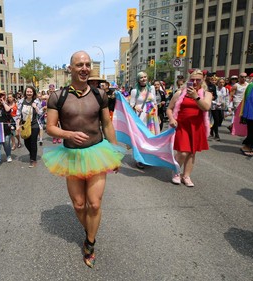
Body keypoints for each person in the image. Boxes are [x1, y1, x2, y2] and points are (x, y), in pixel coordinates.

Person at [43, 51, 124, 268]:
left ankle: (90, 242)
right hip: (71, 156)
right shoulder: (57, 97)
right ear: (70, 68)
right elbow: (50, 128)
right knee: (79, 205)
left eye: (87, 64)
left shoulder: (100, 95)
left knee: (94, 203)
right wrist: (68, 134)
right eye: (79, 64)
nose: (84, 68)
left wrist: (115, 153)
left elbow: (107, 125)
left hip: (97, 152)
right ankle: (90, 228)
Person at [166, 69, 212, 187]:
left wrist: (196, 97)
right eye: (192, 79)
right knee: (182, 152)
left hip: (196, 127)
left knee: (191, 153)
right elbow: (169, 108)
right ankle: (176, 171)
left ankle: (186, 176)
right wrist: (171, 119)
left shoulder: (207, 94)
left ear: (203, 80)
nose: (195, 82)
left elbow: (206, 107)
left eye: (198, 80)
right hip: (182, 125)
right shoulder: (180, 93)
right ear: (189, 80)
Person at [130, 71, 160, 169]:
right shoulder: (134, 91)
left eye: (145, 77)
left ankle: (148, 157)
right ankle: (139, 159)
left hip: (151, 117)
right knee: (140, 138)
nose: (144, 79)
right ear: (138, 80)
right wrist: (135, 107)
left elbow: (155, 102)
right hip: (140, 116)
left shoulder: (151, 89)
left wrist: (157, 116)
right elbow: (131, 104)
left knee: (150, 138)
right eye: (141, 77)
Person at [16, 86, 43, 168]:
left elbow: (41, 113)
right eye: (28, 91)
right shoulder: (21, 101)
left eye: (31, 92)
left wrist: (36, 107)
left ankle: (33, 160)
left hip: (34, 124)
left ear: (33, 93)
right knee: (26, 142)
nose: (29, 93)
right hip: (24, 125)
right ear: (25, 92)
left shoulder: (37, 101)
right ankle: (32, 153)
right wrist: (17, 125)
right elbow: (18, 114)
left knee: (33, 142)